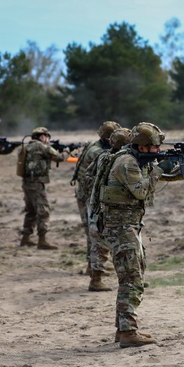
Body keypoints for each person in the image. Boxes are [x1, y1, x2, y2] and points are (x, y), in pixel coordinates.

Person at [91, 122, 184, 346]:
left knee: (133, 275)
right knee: (132, 279)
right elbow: (141, 190)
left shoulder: (137, 159)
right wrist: (159, 167)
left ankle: (124, 329)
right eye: (155, 148)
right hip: (120, 227)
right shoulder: (127, 163)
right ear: (144, 147)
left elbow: (167, 176)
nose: (158, 151)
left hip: (129, 225)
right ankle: (127, 332)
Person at [72, 120, 122, 290]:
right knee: (96, 234)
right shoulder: (98, 152)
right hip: (89, 197)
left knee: (93, 233)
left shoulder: (97, 145)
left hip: (87, 195)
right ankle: (94, 273)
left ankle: (93, 267)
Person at [19, 126, 70, 250]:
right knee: (43, 211)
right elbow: (59, 157)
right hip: (36, 183)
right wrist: (67, 151)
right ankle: (42, 240)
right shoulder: (40, 146)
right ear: (42, 136)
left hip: (27, 183)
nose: (48, 140)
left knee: (30, 211)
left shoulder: (28, 146)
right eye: (46, 137)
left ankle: (25, 238)